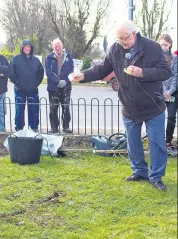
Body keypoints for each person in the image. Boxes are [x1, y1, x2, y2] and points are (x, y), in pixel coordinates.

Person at [70, 20, 172, 191]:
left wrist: (143, 72)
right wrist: (83, 76)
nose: (121, 42)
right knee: (132, 142)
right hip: (129, 105)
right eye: (118, 39)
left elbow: (165, 71)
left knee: (157, 143)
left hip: (153, 105)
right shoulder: (115, 49)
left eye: (124, 38)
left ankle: (156, 176)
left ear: (134, 34)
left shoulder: (152, 47)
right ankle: (139, 171)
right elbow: (102, 69)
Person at [9, 39, 44, 132]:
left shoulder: (36, 60)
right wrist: (17, 83)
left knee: (34, 110)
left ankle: (34, 127)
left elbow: (41, 72)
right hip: (19, 90)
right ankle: (19, 128)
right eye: (25, 46)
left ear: (31, 48)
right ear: (22, 48)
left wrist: (36, 83)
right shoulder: (15, 59)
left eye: (29, 47)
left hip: (33, 90)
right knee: (19, 111)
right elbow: (11, 73)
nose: (27, 48)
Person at [45, 38, 74, 133]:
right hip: (53, 87)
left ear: (62, 46)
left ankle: (66, 127)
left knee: (65, 106)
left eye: (59, 46)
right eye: (55, 46)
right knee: (53, 107)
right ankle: (54, 127)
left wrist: (65, 81)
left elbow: (71, 70)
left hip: (66, 87)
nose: (57, 48)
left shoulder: (68, 56)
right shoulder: (49, 57)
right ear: (53, 47)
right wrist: (58, 81)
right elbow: (48, 72)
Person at [158, 34, 178, 156]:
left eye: (166, 45)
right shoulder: (155, 57)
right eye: (161, 44)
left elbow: (175, 75)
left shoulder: (175, 58)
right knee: (157, 118)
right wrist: (163, 91)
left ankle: (168, 141)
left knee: (171, 117)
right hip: (159, 91)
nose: (163, 47)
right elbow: (157, 75)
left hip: (172, 93)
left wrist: (170, 91)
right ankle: (157, 141)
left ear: (170, 45)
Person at [0, 54, 12, 132]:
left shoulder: (3, 58)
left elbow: (10, 70)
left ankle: (1, 130)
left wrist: (2, 74)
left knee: (2, 111)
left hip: (2, 90)